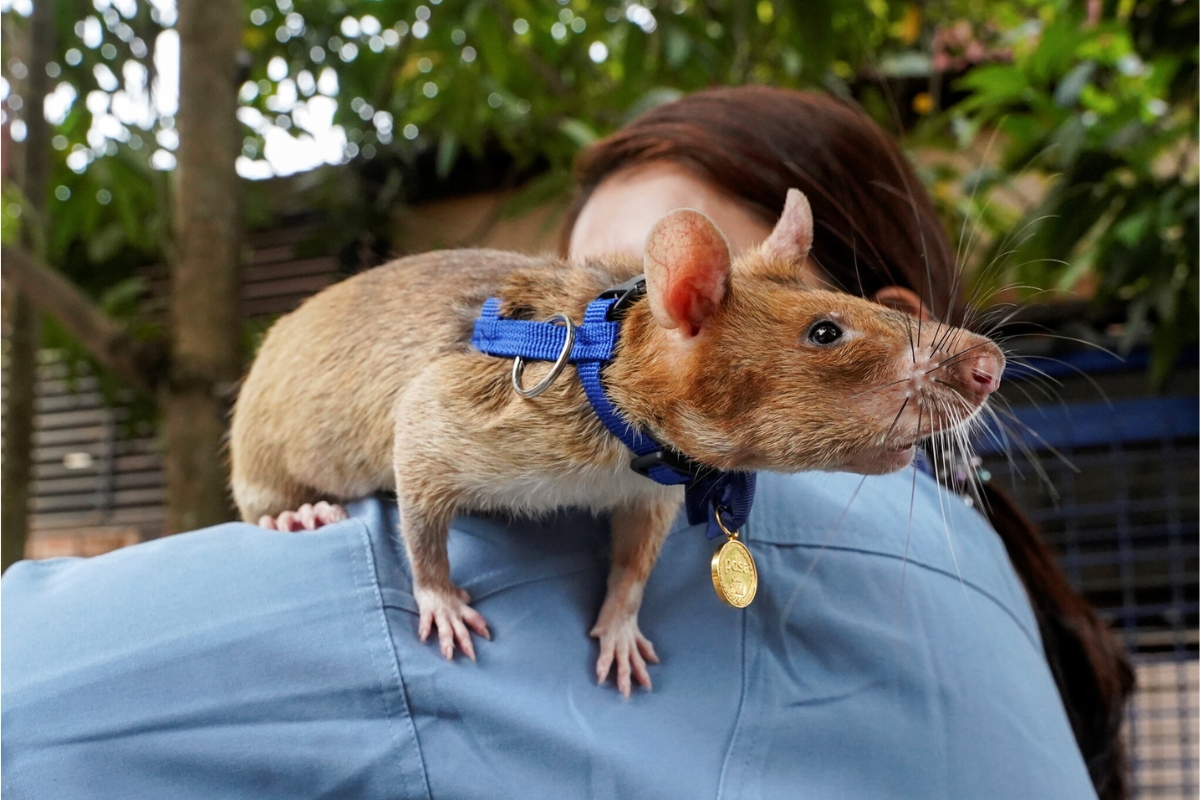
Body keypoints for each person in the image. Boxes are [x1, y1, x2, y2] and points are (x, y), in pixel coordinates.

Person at [1, 87, 1125, 800]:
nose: (617, 317)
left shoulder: (731, 491)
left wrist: (613, 597)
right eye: (599, 284)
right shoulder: (993, 580)